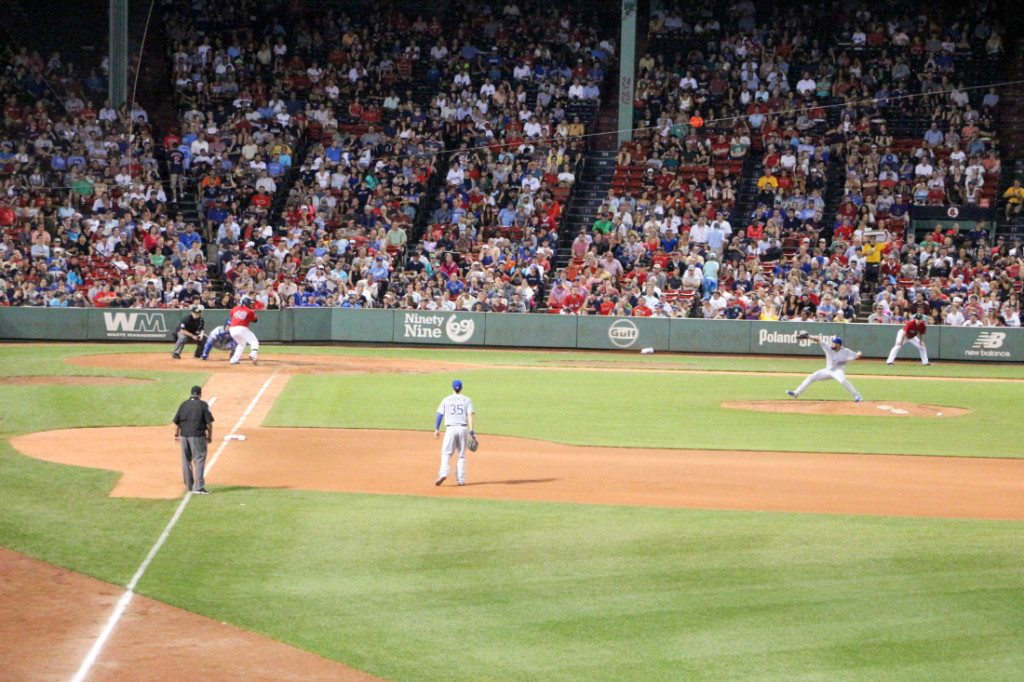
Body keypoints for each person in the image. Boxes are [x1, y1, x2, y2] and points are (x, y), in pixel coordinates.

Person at [787, 335, 863, 402]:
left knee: (843, 381)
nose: (832, 344)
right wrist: (808, 337)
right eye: (832, 343)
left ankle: (857, 396)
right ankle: (796, 393)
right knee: (811, 376)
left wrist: (859, 354)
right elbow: (818, 339)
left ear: (838, 345)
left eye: (833, 343)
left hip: (838, 370)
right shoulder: (828, 347)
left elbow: (856, 355)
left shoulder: (846, 351)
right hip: (827, 371)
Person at [172, 385, 214, 494]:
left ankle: (189, 485)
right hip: (197, 436)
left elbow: (176, 423)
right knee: (199, 459)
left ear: (191, 393)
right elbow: (209, 423)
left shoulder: (184, 404)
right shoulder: (203, 405)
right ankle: (199, 487)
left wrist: (176, 435)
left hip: (184, 436)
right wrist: (209, 436)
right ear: (200, 394)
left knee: (186, 460)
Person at [434, 379, 475, 486]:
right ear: (461, 388)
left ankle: (443, 473)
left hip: (450, 430)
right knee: (461, 455)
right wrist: (471, 431)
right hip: (462, 429)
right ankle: (461, 480)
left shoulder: (446, 400)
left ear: (452, 388)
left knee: (446, 453)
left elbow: (439, 415)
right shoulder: (467, 400)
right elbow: (470, 415)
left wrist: (437, 429)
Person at [228, 296, 260, 365]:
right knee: (254, 342)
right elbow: (255, 320)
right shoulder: (249, 311)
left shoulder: (235, 308)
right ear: (247, 303)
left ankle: (233, 360)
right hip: (241, 328)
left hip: (232, 329)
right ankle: (253, 354)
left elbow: (231, 315)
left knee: (241, 343)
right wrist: (252, 313)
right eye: (250, 303)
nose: (251, 305)